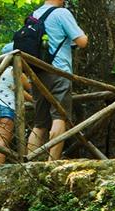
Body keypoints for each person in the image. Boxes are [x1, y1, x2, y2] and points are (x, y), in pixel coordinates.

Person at [26, 1, 88, 161]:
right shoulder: (62, 13)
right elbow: (82, 42)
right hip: (58, 72)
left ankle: (29, 164)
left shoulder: (33, 15)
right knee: (60, 117)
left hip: (37, 74)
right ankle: (52, 163)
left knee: (39, 123)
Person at [0, 45, 32, 167]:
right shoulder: (15, 70)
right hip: (6, 108)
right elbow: (29, 88)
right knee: (1, 144)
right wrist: (34, 100)